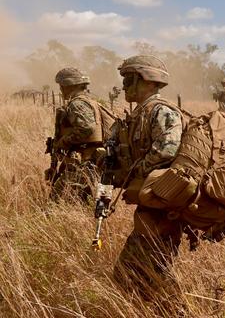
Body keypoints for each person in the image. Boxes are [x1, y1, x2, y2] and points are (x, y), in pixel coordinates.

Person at [112, 55, 184, 298]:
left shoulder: (161, 112)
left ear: (149, 81)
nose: (124, 86)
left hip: (163, 210)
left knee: (148, 277)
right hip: (150, 209)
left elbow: (167, 149)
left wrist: (135, 172)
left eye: (129, 79)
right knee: (142, 277)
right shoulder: (140, 114)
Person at [47, 68, 104, 202]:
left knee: (57, 200)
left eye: (62, 86)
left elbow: (86, 128)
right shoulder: (91, 102)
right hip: (89, 160)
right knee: (82, 200)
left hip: (83, 161)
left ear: (69, 85)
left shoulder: (77, 103)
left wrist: (64, 141)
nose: (61, 89)